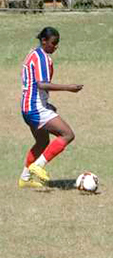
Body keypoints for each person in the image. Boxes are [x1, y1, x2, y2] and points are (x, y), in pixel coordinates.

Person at [19, 27, 84, 188]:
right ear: (44, 41)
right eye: (54, 43)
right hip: (35, 108)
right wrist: (68, 88)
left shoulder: (33, 53)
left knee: (42, 142)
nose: (56, 46)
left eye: (58, 43)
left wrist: (47, 104)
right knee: (67, 134)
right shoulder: (41, 58)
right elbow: (41, 84)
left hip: (28, 106)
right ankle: (37, 166)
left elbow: (33, 84)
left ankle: (25, 179)